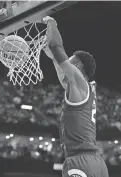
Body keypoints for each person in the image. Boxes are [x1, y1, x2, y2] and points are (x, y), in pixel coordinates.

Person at [43, 16, 109, 177]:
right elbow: (59, 66)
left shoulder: (79, 82)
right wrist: (52, 56)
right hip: (96, 163)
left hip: (80, 162)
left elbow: (57, 48)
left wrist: (51, 22)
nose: (66, 65)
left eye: (70, 61)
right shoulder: (82, 89)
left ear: (78, 66)